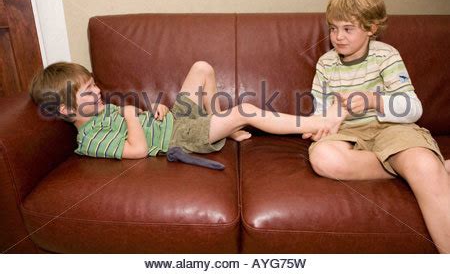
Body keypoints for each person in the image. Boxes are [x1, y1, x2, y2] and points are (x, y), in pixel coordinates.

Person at [304, 0, 450, 253]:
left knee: (421, 162)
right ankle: (421, 169)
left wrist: (375, 100)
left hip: (391, 129)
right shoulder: (326, 63)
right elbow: (321, 111)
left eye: (348, 29)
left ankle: (422, 168)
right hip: (347, 132)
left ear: (371, 28)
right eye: (333, 28)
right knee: (324, 159)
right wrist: (320, 125)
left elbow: (413, 108)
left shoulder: (386, 55)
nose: (338, 36)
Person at [29, 61, 344, 164]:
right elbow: (137, 150)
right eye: (88, 91)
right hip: (180, 137)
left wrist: (154, 108)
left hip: (174, 120)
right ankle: (320, 122)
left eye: (93, 84)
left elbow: (137, 121)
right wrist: (128, 115)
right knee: (246, 109)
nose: (97, 91)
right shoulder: (89, 141)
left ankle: (221, 123)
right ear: (69, 109)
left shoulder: (101, 111)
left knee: (202, 67)